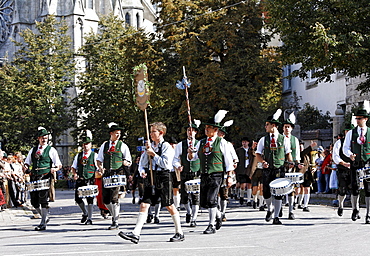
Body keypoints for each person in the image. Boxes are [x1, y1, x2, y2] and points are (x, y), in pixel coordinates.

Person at [118, 122, 184, 243]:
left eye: (153, 131)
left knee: (169, 205)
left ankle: (179, 232)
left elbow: (165, 164)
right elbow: (142, 163)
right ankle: (135, 233)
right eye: (150, 131)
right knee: (144, 204)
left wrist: (153, 154)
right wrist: (142, 171)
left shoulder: (166, 147)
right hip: (151, 176)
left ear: (161, 133)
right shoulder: (149, 146)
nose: (150, 134)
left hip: (164, 177)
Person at [187, 110, 235, 234]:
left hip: (217, 174)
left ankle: (211, 225)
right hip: (204, 174)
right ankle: (218, 215)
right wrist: (190, 152)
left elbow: (229, 160)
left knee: (212, 198)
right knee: (204, 201)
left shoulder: (222, 142)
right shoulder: (201, 142)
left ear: (215, 130)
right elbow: (193, 158)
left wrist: (229, 176)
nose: (206, 130)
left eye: (209, 128)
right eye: (206, 128)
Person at [255, 109, 293, 225]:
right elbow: (257, 153)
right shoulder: (263, 139)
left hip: (279, 168)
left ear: (274, 125)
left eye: (267, 124)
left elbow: (288, 153)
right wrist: (263, 161)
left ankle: (276, 217)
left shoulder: (284, 139)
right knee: (266, 192)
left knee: (278, 193)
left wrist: (291, 163)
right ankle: (269, 207)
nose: (265, 126)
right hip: (267, 168)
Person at [23, 127, 62, 231]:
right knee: (34, 202)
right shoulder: (33, 150)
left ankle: (43, 222)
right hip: (34, 177)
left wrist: (54, 169)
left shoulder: (51, 150)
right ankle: (44, 217)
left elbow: (59, 164)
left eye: (45, 137)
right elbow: (27, 162)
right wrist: (26, 166)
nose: (44, 139)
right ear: (38, 138)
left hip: (45, 176)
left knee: (43, 199)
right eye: (42, 138)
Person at [97, 122, 132, 230]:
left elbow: (128, 160)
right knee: (106, 200)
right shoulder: (105, 145)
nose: (118, 135)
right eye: (116, 133)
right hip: (107, 173)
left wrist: (126, 162)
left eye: (119, 133)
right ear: (111, 133)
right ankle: (114, 215)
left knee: (114, 197)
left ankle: (115, 221)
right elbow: (99, 159)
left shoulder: (123, 145)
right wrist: (100, 167)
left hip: (118, 172)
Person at [343, 107, 370, 223]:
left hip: (368, 163)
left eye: (360, 118)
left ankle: (368, 214)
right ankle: (355, 209)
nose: (357, 120)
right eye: (357, 118)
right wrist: (350, 155)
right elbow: (345, 148)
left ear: (366, 119)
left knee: (369, 189)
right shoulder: (351, 133)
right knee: (355, 187)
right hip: (355, 163)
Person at [173, 122, 201, 227]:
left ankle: (194, 218)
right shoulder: (181, 144)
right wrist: (178, 166)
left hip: (196, 173)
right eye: (188, 130)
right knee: (184, 196)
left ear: (195, 132)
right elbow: (175, 158)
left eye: (192, 130)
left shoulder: (199, 143)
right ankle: (188, 211)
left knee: (195, 196)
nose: (190, 132)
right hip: (185, 173)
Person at [71, 131, 98, 225]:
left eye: (88, 144)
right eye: (84, 144)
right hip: (81, 179)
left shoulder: (94, 155)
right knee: (77, 198)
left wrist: (97, 174)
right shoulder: (78, 156)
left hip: (90, 179)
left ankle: (90, 218)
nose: (86, 146)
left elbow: (98, 168)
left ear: (91, 145)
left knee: (90, 199)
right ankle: (85, 213)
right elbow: (73, 167)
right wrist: (74, 174)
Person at [217, 121, 238, 222]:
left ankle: (223, 212)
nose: (218, 134)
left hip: (226, 171)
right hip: (216, 171)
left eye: (220, 132)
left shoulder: (228, 144)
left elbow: (235, 157)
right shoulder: (213, 143)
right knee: (216, 193)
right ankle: (217, 211)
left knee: (224, 193)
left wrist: (234, 163)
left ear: (223, 134)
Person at [332, 124, 354, 217]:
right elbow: (335, 155)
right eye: (346, 131)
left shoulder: (355, 142)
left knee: (354, 190)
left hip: (353, 169)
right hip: (342, 169)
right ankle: (341, 205)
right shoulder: (339, 142)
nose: (348, 133)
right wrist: (343, 163)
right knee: (342, 189)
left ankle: (355, 209)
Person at [235, 137, 256, 206]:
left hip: (249, 169)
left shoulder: (251, 150)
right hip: (241, 169)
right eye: (243, 142)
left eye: (245, 142)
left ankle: (249, 200)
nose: (244, 143)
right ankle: (241, 196)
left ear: (248, 143)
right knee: (243, 185)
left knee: (249, 185)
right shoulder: (238, 150)